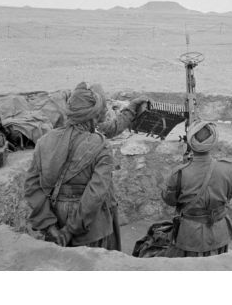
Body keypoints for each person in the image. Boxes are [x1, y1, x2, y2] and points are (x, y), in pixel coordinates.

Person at [24, 82, 148, 250]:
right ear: (93, 117)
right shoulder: (100, 145)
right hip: (91, 228)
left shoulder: (44, 141)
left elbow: (32, 187)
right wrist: (70, 230)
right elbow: (95, 195)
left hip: (55, 223)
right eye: (99, 114)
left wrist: (50, 226)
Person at [162, 120, 232, 257]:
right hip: (219, 232)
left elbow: (169, 200)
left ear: (190, 143)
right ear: (213, 142)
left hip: (191, 235)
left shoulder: (179, 172)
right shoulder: (228, 169)